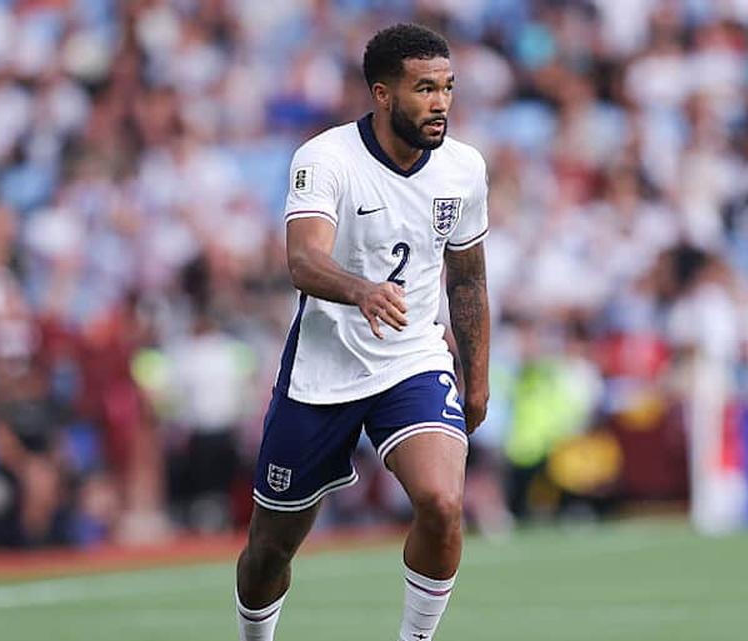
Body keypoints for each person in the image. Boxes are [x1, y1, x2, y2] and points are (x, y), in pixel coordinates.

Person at [234, 23, 490, 641]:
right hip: (324, 371)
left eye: (448, 87)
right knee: (270, 549)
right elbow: (303, 259)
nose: (440, 103)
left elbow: (467, 279)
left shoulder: (463, 169)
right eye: (424, 88)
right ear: (381, 93)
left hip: (411, 360)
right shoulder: (325, 159)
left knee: (441, 503)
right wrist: (362, 290)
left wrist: (476, 380)